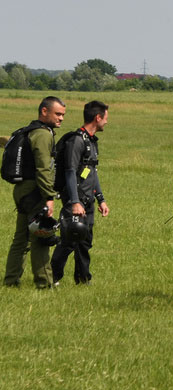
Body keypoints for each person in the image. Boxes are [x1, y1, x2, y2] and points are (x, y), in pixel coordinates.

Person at [5, 96, 66, 289]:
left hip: (22, 190)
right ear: (44, 111)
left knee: (21, 238)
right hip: (35, 191)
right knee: (41, 236)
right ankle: (44, 283)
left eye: (63, 115)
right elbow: (43, 168)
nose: (61, 118)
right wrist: (49, 197)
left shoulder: (30, 130)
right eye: (58, 114)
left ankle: (10, 281)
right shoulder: (43, 134)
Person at [50, 100, 110, 286]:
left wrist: (101, 199)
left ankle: (83, 279)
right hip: (75, 200)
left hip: (88, 199)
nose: (107, 122)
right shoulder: (77, 141)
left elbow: (92, 172)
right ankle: (52, 277)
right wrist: (75, 202)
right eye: (105, 118)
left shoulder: (92, 141)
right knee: (69, 239)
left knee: (85, 241)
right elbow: (69, 171)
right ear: (97, 117)